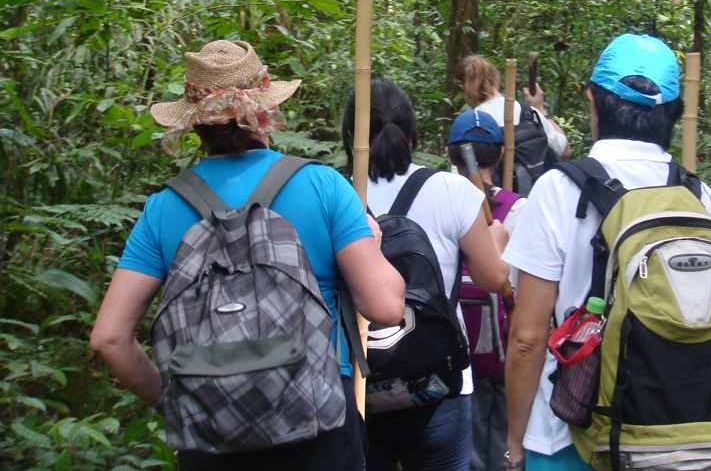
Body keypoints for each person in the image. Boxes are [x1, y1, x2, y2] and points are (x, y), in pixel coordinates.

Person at [90, 39, 404, 471]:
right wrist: (373, 242)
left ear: (193, 122)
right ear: (265, 109)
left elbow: (109, 338)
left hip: (211, 440)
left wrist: (173, 401)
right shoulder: (323, 186)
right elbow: (386, 308)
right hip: (318, 427)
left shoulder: (163, 208)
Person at [501, 33, 711, 470]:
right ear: (674, 113)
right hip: (672, 431)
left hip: (569, 430)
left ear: (593, 102)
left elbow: (527, 339)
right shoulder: (698, 196)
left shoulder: (559, 190)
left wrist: (514, 443)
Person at [341, 78, 511, 471]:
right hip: (439, 382)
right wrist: (498, 240)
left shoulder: (335, 195)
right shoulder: (453, 191)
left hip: (361, 381)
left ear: (350, 136)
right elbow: (492, 278)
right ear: (413, 136)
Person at [445, 108, 526, 471]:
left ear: (449, 154)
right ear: (500, 154)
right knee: (506, 437)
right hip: (509, 342)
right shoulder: (518, 208)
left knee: (468, 440)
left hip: (455, 341)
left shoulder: (440, 197)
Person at [455, 54, 571, 162]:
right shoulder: (528, 113)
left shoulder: (471, 124)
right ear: (494, 78)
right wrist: (540, 110)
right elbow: (565, 150)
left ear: (461, 86)